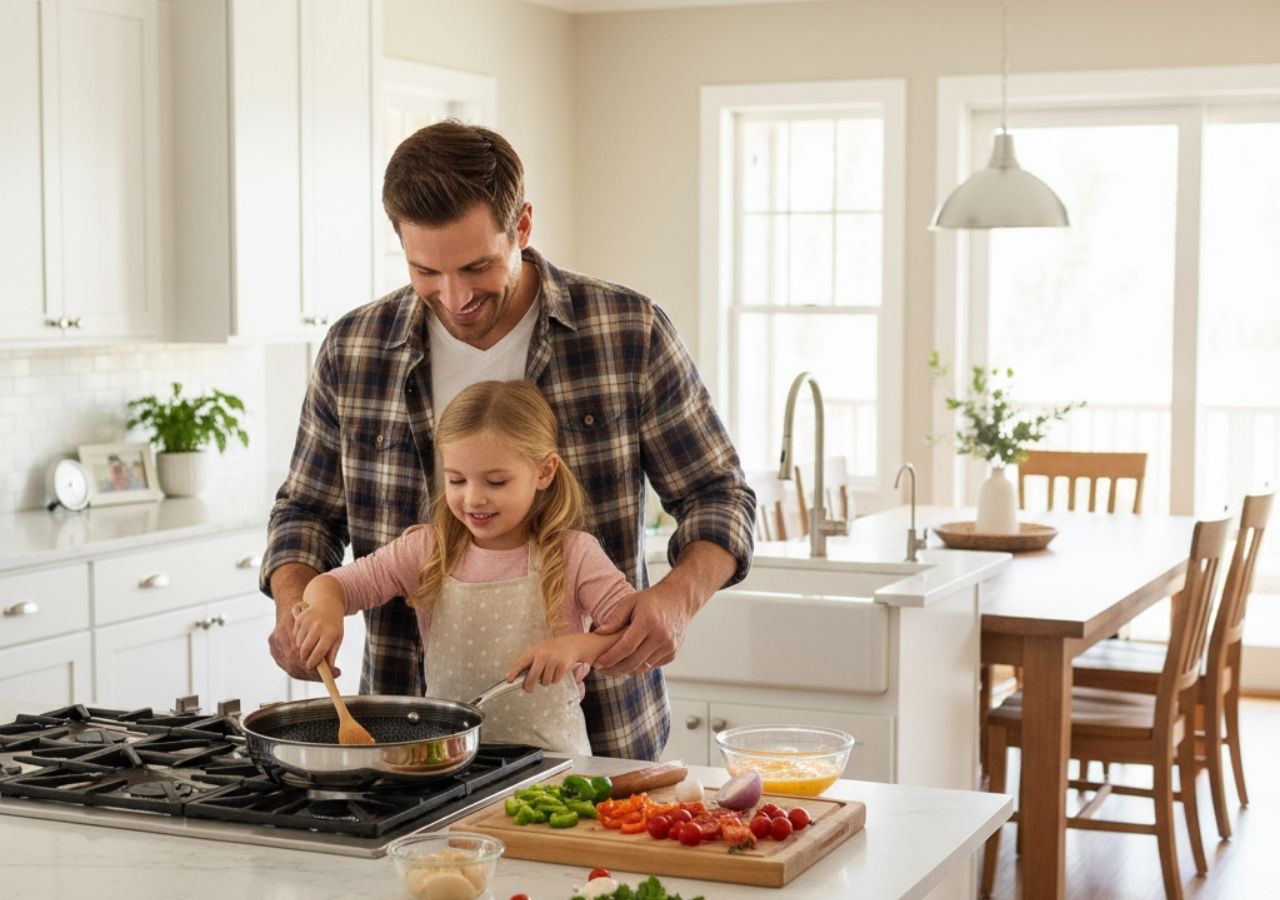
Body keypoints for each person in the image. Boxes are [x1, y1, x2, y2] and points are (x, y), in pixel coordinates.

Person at [261, 119, 755, 761]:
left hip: (599, 735)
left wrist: (676, 600)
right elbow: (305, 513)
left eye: (477, 266)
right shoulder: (355, 347)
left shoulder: (626, 331)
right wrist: (297, 607)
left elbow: (719, 495)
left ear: (522, 225)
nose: (455, 297)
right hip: (406, 739)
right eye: (425, 271)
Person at [293, 381, 632, 754]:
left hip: (554, 767)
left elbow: (634, 631)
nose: (473, 498)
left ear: (545, 471)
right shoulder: (426, 549)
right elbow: (332, 585)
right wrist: (325, 609)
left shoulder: (575, 554)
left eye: (496, 481)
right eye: (456, 479)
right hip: (452, 765)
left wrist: (577, 647)